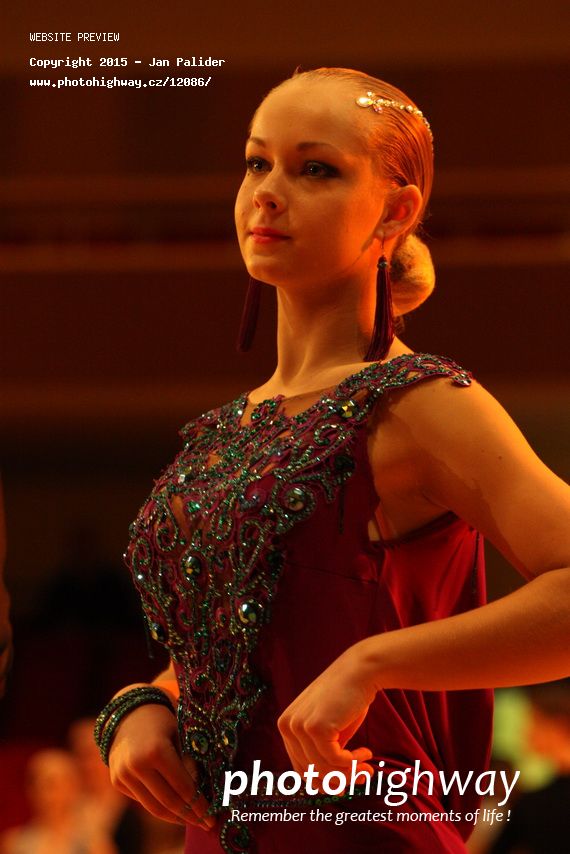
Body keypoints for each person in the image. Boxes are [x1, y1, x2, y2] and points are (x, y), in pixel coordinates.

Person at [95, 67, 570, 854]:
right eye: (257, 163)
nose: (267, 192)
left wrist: (375, 663)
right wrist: (148, 701)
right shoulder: (228, 427)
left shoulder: (419, 403)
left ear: (396, 210)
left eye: (314, 169)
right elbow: (257, 645)